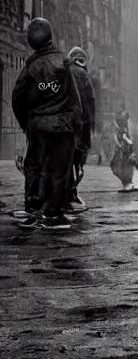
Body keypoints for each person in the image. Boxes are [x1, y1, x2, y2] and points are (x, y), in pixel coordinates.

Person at [12, 18, 83, 230]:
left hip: (38, 126)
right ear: (50, 36)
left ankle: (32, 210)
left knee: (34, 166)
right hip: (62, 127)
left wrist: (27, 124)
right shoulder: (64, 62)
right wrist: (76, 125)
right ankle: (53, 214)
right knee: (59, 170)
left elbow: (17, 97)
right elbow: (74, 98)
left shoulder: (31, 65)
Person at [67, 46, 96, 210]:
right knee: (76, 161)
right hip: (80, 125)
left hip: (65, 124)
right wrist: (91, 125)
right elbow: (90, 102)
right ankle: (71, 194)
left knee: (65, 161)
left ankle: (68, 194)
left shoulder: (63, 71)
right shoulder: (84, 75)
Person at [110, 110, 138, 191]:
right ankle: (127, 183)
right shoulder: (121, 127)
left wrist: (127, 143)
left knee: (125, 166)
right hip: (122, 149)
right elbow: (118, 137)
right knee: (118, 165)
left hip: (125, 150)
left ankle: (128, 183)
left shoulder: (124, 127)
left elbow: (126, 138)